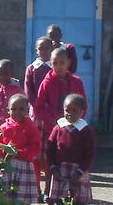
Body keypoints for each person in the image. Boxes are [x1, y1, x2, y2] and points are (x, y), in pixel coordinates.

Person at [32, 45, 87, 173]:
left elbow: (83, 106)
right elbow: (38, 107)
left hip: (74, 128)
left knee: (73, 157)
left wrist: (76, 122)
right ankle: (50, 185)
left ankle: (72, 183)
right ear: (50, 64)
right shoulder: (47, 82)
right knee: (51, 160)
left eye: (62, 63)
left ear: (68, 63)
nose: (58, 66)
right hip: (52, 128)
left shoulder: (77, 82)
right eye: (55, 63)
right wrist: (52, 120)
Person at [0, 93, 41, 205]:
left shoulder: (30, 127)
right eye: (14, 109)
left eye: (21, 109)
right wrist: (4, 151)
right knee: (5, 196)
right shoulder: (3, 128)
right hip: (6, 165)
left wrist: (19, 152)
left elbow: (35, 148)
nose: (17, 112)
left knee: (24, 199)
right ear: (8, 110)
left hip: (24, 166)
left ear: (27, 110)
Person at [46, 93, 95, 205]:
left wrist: (79, 172)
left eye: (74, 111)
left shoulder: (86, 130)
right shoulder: (58, 128)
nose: (70, 114)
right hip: (60, 170)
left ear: (82, 112)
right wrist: (53, 167)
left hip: (78, 171)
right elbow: (50, 148)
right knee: (59, 201)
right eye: (67, 110)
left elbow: (89, 154)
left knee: (78, 202)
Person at [24, 37, 53, 108]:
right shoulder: (31, 68)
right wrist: (36, 105)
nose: (44, 51)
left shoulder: (56, 68)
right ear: (36, 50)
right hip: (36, 107)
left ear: (52, 49)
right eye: (41, 48)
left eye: (47, 48)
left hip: (54, 107)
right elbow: (28, 90)